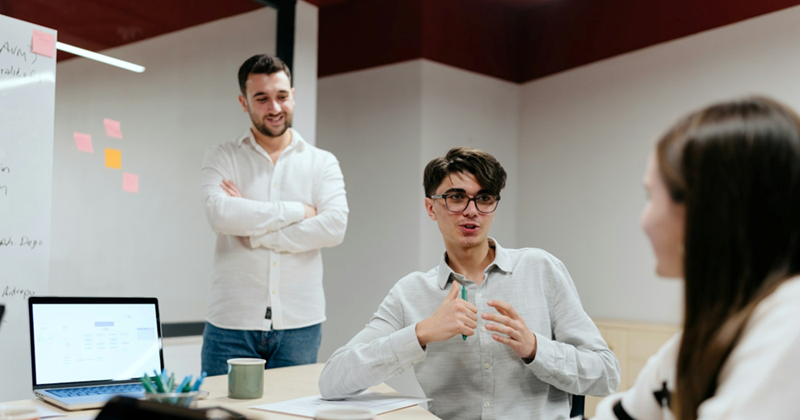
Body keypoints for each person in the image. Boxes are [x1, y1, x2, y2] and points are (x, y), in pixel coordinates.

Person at [319, 147, 620, 420]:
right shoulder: (409, 293)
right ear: (430, 207)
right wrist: (421, 332)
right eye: (456, 197)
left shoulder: (541, 269)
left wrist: (535, 349)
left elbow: (606, 375)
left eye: (484, 198)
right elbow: (333, 380)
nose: (472, 210)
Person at [592, 96, 800, 420]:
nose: (643, 219)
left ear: (706, 212)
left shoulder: (789, 327)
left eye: (650, 196)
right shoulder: (704, 337)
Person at [199, 54, 348, 375]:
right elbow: (220, 215)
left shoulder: (322, 163)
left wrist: (252, 229)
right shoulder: (223, 157)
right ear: (244, 102)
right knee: (218, 413)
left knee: (289, 412)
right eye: (262, 98)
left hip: (300, 322)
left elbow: (334, 227)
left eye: (282, 96)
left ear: (293, 94)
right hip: (231, 322)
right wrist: (299, 211)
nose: (275, 108)